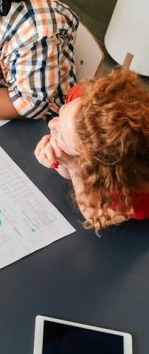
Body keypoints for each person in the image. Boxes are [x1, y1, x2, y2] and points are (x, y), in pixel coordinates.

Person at [35, 67, 149, 231]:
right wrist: (60, 157)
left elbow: (97, 216)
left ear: (94, 161)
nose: (51, 123)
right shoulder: (83, 98)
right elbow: (69, 170)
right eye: (63, 112)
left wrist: (74, 167)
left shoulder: (135, 196)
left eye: (60, 133)